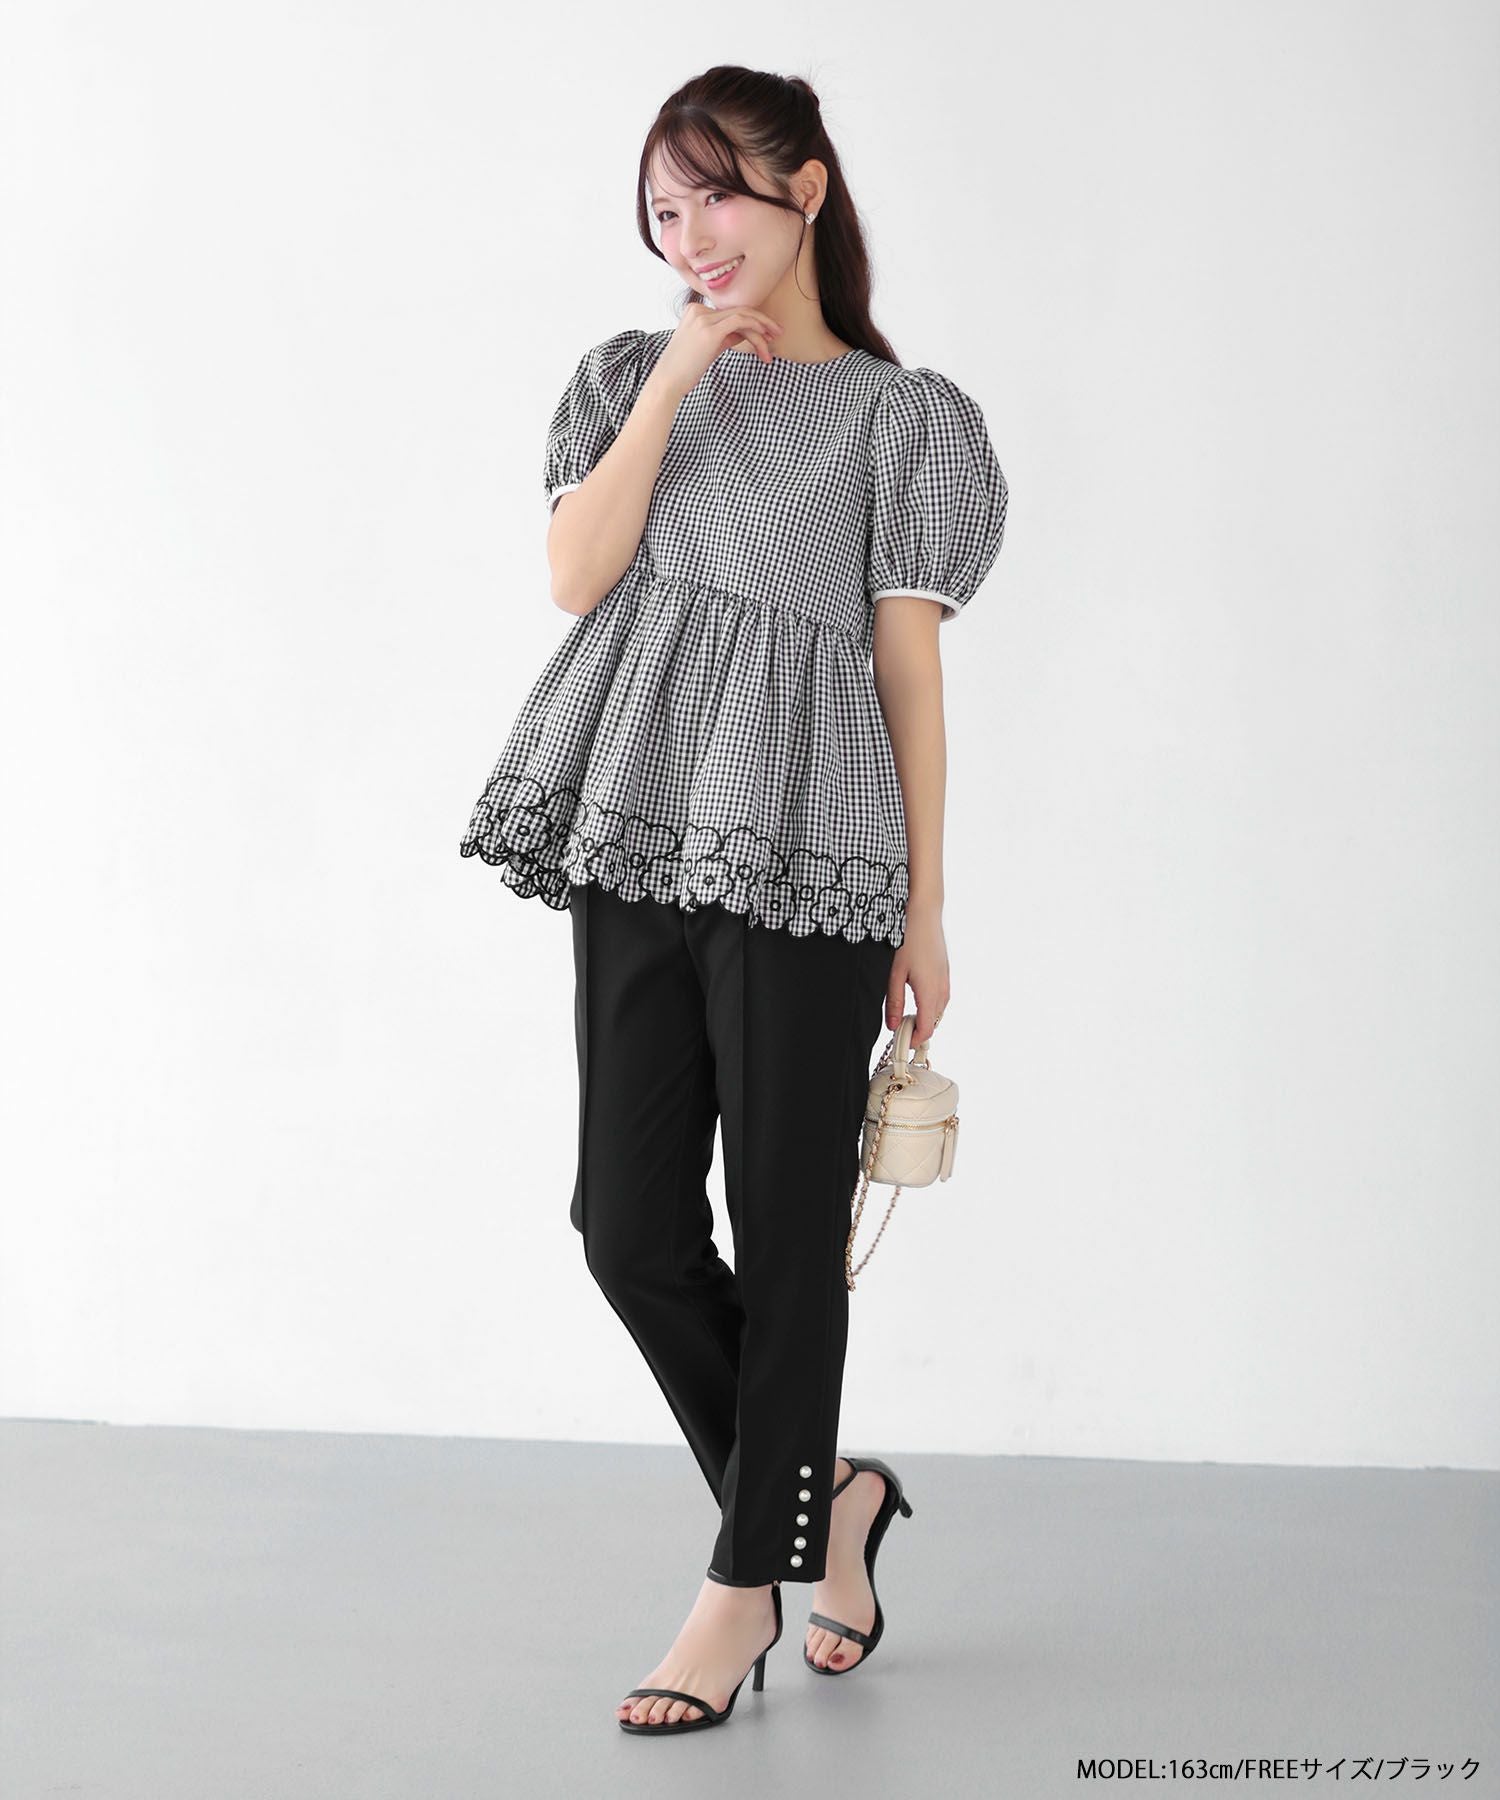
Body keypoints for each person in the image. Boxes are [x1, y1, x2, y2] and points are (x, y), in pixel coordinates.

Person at [458, 63, 1008, 1735]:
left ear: (808, 191)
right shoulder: (626, 379)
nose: (691, 233)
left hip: (814, 851)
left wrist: (924, 909)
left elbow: (908, 673)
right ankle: (825, 1510)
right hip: (637, 828)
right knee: (624, 1228)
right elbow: (576, 575)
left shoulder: (905, 423)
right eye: (664, 209)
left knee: (784, 1240)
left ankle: (738, 1587)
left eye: (719, 195)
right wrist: (681, 370)